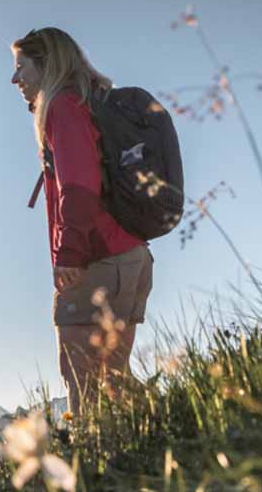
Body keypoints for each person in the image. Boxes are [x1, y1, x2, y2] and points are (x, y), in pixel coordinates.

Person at [10, 27, 154, 415]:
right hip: (130, 257)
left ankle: (97, 474)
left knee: (85, 388)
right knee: (113, 384)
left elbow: (79, 186)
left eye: (22, 67)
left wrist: (69, 254)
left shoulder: (63, 106)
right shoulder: (91, 102)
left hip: (96, 261)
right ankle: (183, 438)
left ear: (47, 65)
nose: (15, 79)